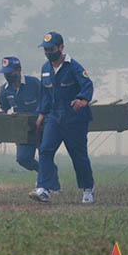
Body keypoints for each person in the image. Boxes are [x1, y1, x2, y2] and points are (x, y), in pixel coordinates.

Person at [30, 32, 95, 204]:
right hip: (54, 117)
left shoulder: (74, 67)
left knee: (78, 156)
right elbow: (45, 94)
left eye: (51, 49)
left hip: (74, 118)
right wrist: (41, 115)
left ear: (61, 48)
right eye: (45, 49)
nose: (48, 52)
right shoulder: (45, 68)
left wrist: (82, 99)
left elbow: (87, 85)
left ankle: (88, 188)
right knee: (45, 150)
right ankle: (44, 188)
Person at [0, 56, 49, 179]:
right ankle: (45, 173)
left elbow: (46, 100)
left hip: (41, 126)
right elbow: (4, 108)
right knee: (23, 159)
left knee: (45, 154)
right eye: (5, 73)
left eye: (10, 72)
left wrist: (42, 117)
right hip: (22, 130)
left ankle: (50, 184)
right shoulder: (4, 90)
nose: (7, 75)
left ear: (19, 70)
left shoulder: (33, 83)